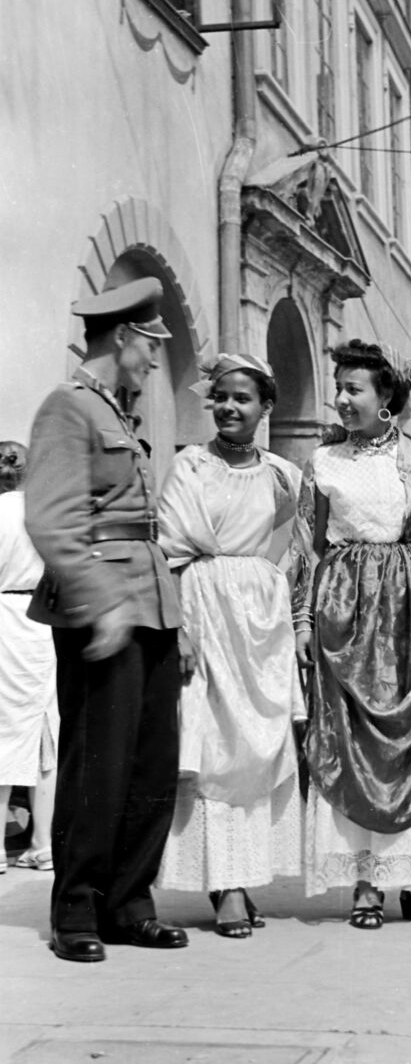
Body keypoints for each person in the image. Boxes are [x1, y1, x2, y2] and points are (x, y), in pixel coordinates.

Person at [25, 278, 188, 963]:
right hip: (106, 610)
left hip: (149, 602)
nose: (155, 360)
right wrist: (100, 604)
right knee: (98, 761)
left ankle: (129, 902)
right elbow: (51, 520)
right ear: (124, 337)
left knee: (153, 762)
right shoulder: (69, 407)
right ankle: (77, 909)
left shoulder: (120, 414)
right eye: (152, 345)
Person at [292, 339, 411, 930]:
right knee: (353, 743)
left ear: (386, 397)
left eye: (354, 388)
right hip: (348, 608)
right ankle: (366, 883)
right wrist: (306, 617)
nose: (342, 399)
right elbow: (307, 547)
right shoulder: (323, 463)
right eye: (338, 386)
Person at [155, 354, 305, 937]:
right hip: (203, 604)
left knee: (256, 749)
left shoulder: (282, 475)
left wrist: (281, 604)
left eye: (243, 398)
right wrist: (181, 627)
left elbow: (292, 541)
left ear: (266, 408)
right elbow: (169, 553)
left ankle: (246, 872)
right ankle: (224, 885)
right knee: (212, 745)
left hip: (259, 621)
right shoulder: (190, 466)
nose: (229, 408)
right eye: (220, 397)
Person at [0, 443, 58, 874]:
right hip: (45, 619)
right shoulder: (47, 513)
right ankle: (43, 842)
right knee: (47, 729)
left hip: (4, 620)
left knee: (3, 727)